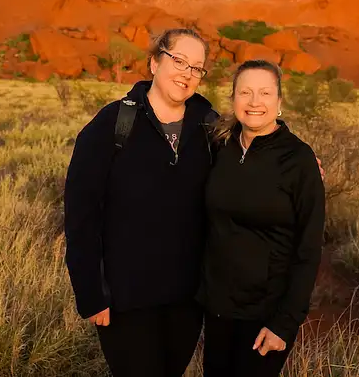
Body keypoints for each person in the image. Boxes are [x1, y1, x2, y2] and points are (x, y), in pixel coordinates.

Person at [63, 28, 217, 377]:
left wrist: (300, 159)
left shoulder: (208, 126)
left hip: (187, 299)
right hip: (125, 298)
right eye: (179, 61)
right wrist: (90, 293)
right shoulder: (113, 123)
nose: (187, 73)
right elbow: (81, 215)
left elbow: (255, 143)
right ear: (155, 62)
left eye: (197, 68)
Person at [197, 59, 326, 377]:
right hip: (218, 309)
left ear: (279, 102)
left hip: (266, 313)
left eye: (265, 93)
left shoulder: (299, 160)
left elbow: (308, 250)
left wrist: (284, 323)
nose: (255, 102)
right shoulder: (220, 148)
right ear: (233, 99)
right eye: (246, 92)